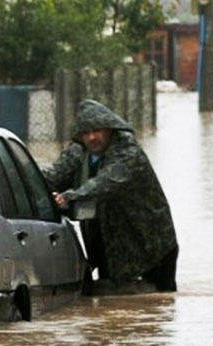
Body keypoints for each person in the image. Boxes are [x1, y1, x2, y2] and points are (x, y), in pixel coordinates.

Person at [43, 99, 178, 295]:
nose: (92, 137)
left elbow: (106, 182)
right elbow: (55, 175)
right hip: (110, 246)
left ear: (110, 129)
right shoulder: (79, 151)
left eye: (97, 131)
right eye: (86, 132)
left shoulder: (128, 152)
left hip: (150, 246)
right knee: (111, 308)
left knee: (156, 306)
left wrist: (70, 197)